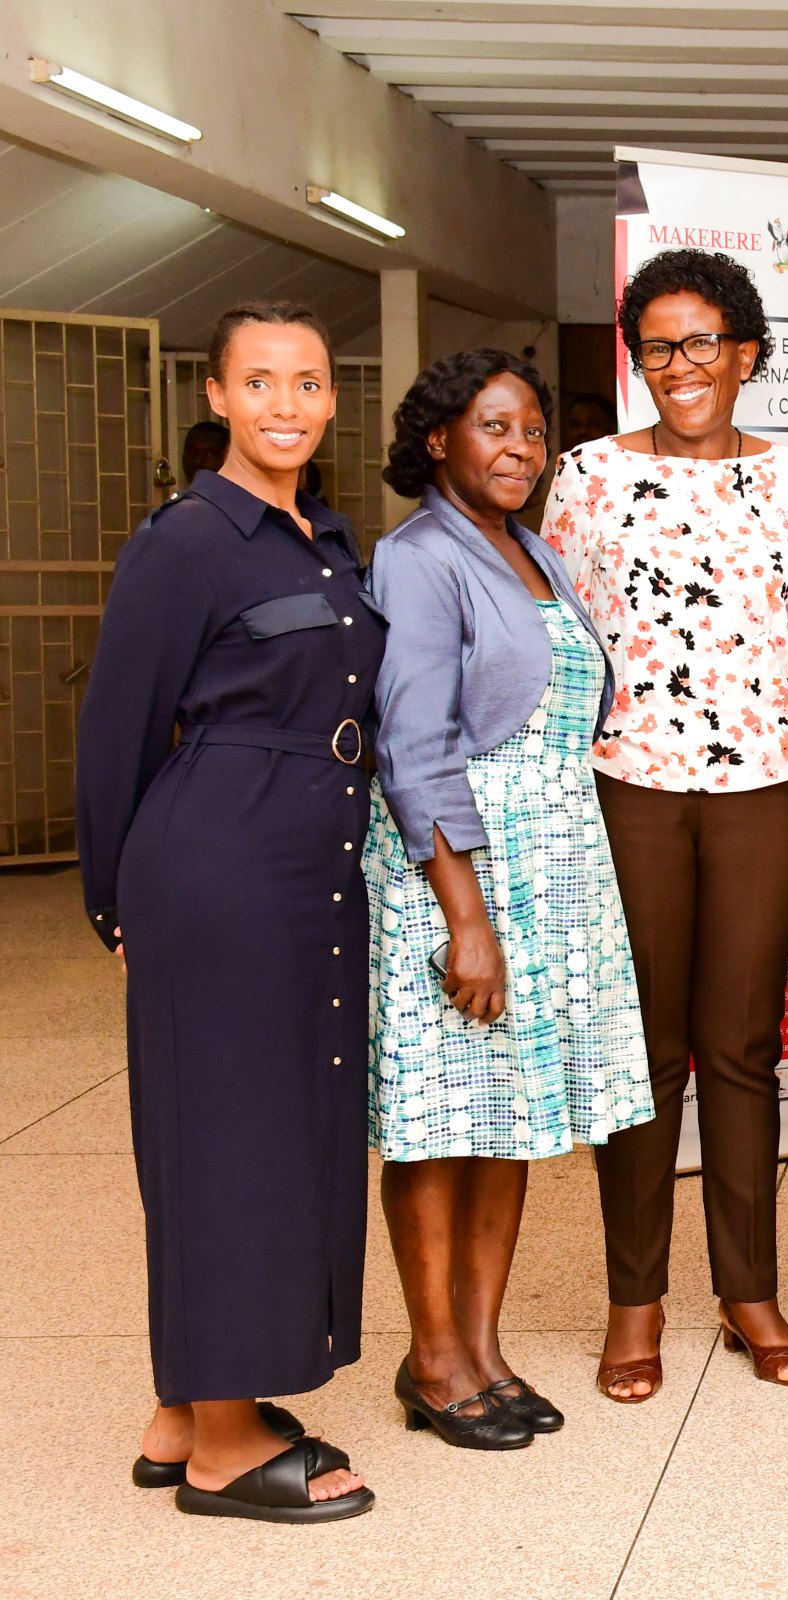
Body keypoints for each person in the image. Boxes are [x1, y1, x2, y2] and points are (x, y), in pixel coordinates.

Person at [76, 301, 380, 1522]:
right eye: (260, 383)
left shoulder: (324, 536)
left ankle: (190, 1399)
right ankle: (221, 1449)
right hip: (217, 862)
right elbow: (117, 731)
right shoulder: (190, 538)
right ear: (216, 397)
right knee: (229, 1133)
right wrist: (118, 904)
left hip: (308, 857)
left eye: (307, 383)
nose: (287, 405)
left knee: (284, 1121)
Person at [543, 249, 788, 1401]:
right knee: (647, 1054)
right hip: (630, 787)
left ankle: (749, 1290)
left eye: (703, 342)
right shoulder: (586, 478)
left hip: (767, 786)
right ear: (639, 359)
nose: (681, 366)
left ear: (747, 354)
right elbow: (563, 639)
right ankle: (635, 1303)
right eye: (658, 346)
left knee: (743, 1048)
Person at [363, 349, 655, 1448]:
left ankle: (481, 1350)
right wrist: (467, 922)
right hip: (463, 875)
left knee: (507, 1118)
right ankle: (433, 1359)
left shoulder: (527, 548)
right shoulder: (420, 556)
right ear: (438, 439)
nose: (520, 449)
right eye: (494, 427)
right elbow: (414, 748)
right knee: (440, 1125)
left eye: (534, 431)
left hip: (553, 869)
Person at [178, 418, 229, 489]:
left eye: (209, 454)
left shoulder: (240, 498)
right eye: (193, 452)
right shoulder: (183, 499)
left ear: (226, 457)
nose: (198, 460)